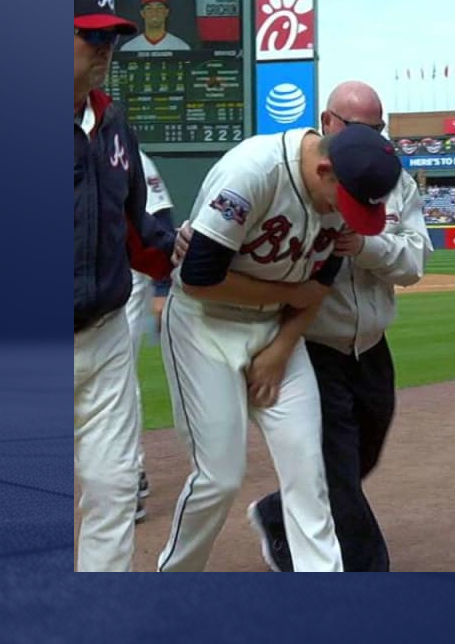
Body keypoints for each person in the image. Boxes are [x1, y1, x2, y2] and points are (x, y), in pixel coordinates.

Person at [157, 123, 401, 572]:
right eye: (343, 202)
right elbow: (198, 279)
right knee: (218, 479)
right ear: (324, 169)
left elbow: (319, 285)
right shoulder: (253, 172)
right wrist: (289, 295)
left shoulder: (340, 191)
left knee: (311, 477)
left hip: (277, 329)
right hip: (204, 328)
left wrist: (282, 347)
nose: (343, 214)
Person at [250, 81, 432, 571]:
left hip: (371, 346)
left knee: (363, 457)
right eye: (358, 128)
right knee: (339, 472)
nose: (372, 138)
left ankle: (278, 512)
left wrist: (367, 245)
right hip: (313, 346)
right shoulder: (297, 176)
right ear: (328, 122)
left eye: (378, 128)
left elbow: (415, 262)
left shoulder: (394, 180)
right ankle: (367, 571)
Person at [74, 0, 176, 572]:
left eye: (111, 38)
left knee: (113, 493)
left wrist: (195, 261)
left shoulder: (113, 124)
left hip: (107, 332)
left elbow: (140, 230)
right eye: (92, 37)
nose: (105, 49)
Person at [122, 150, 176, 523]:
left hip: (122, 274)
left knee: (115, 376)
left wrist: (162, 286)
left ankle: (128, 474)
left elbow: (159, 217)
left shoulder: (123, 150)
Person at [120, 0, 191, 52]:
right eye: (149, 8)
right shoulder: (128, 48)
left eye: (159, 8)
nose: (154, 12)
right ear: (142, 13)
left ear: (166, 12)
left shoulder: (181, 47)